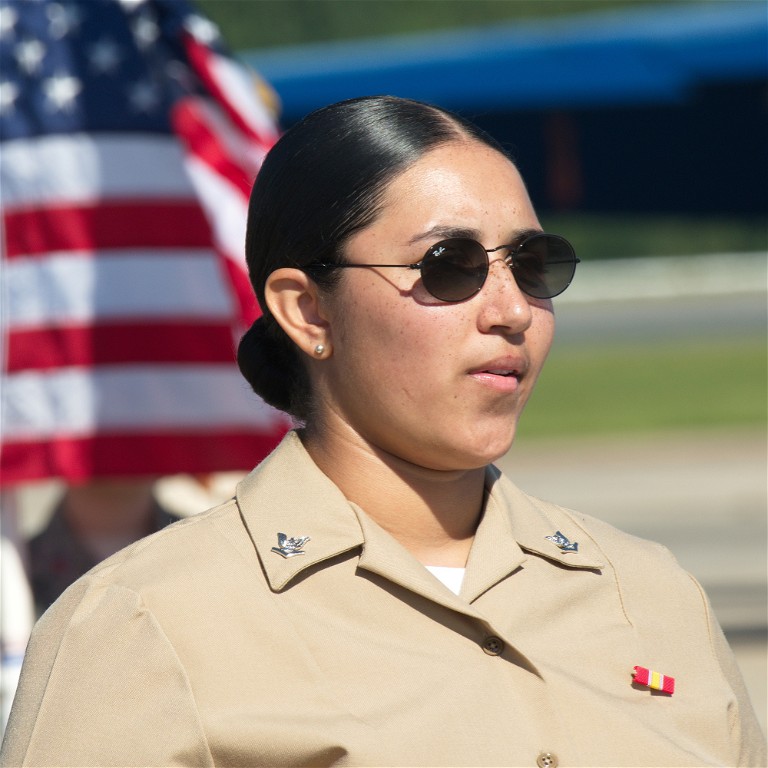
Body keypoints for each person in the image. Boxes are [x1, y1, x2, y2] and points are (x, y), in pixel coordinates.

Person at [1, 96, 764, 767]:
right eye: (449, 265)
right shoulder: (144, 624)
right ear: (308, 311)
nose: (511, 311)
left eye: (533, 265)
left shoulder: (650, 594)